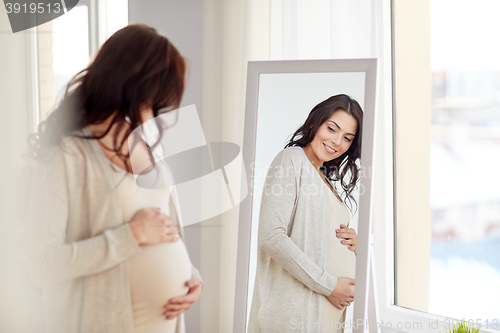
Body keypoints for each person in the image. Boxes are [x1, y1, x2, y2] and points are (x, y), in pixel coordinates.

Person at [25, 24, 202, 333]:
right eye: (154, 93)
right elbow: (42, 264)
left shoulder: (142, 143)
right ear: (130, 82)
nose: (157, 107)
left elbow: (163, 228)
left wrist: (191, 276)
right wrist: (129, 237)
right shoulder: (66, 153)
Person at [248, 94, 363, 333]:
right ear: (314, 123)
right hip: (296, 314)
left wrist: (354, 243)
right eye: (332, 128)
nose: (336, 141)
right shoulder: (291, 160)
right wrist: (330, 285)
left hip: (326, 315)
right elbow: (271, 236)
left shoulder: (323, 177)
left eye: (347, 138)